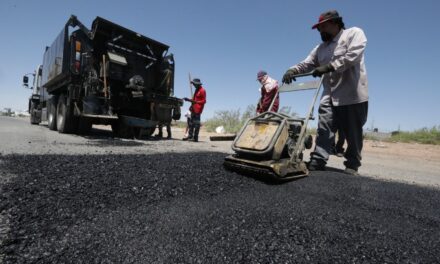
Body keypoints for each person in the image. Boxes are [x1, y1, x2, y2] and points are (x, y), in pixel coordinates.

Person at [282, 10, 368, 175]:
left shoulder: (354, 34)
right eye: (319, 28)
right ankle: (318, 160)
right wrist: (292, 70)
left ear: (335, 23)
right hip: (329, 93)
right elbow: (307, 64)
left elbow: (354, 55)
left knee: (353, 131)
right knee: (324, 127)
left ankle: (352, 164)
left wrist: (330, 66)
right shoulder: (320, 49)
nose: (320, 31)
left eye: (323, 27)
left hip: (352, 93)